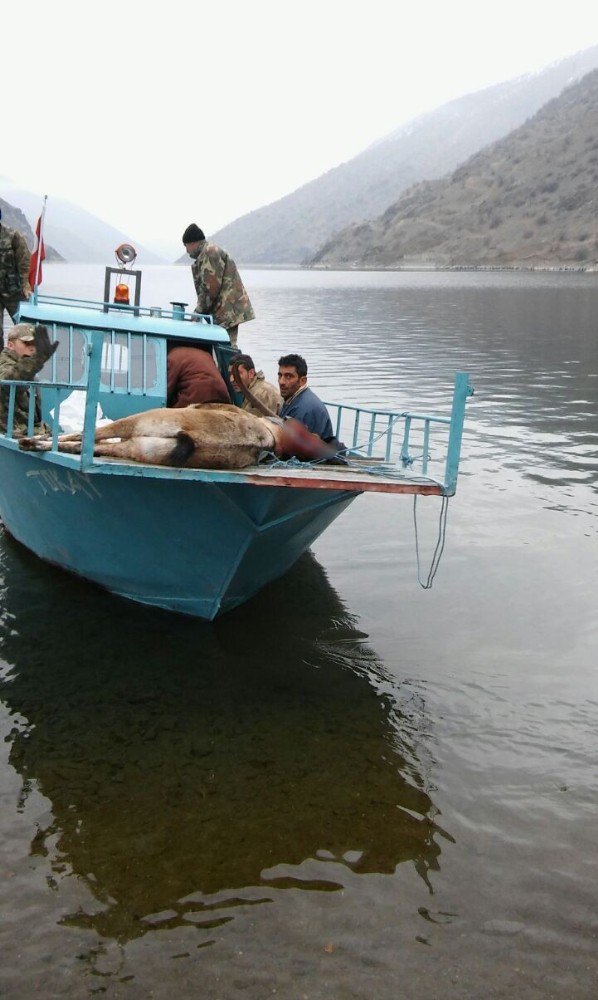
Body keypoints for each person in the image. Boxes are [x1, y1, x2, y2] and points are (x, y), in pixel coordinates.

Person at [182, 224, 254, 348]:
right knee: (223, 346)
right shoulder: (207, 253)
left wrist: (198, 311)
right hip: (225, 310)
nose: (187, 251)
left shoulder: (210, 252)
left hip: (227, 311)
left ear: (193, 243)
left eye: (186, 246)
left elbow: (210, 288)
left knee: (227, 347)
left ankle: (233, 367)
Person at [0, 324, 58, 436]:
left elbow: (32, 419)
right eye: (27, 343)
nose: (32, 348)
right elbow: (9, 381)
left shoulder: (28, 370)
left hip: (27, 434)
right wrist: (36, 360)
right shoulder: (4, 365)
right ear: (10, 345)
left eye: (35, 344)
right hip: (11, 438)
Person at [277, 353, 335, 440]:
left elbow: (292, 447)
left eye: (288, 376)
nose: (281, 382)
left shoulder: (303, 410)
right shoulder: (293, 398)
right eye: (280, 375)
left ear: (302, 381)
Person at [0, 208, 32, 350]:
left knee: (24, 330)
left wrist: (25, 284)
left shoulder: (12, 236)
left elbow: (24, 261)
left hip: (14, 291)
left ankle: (28, 362)